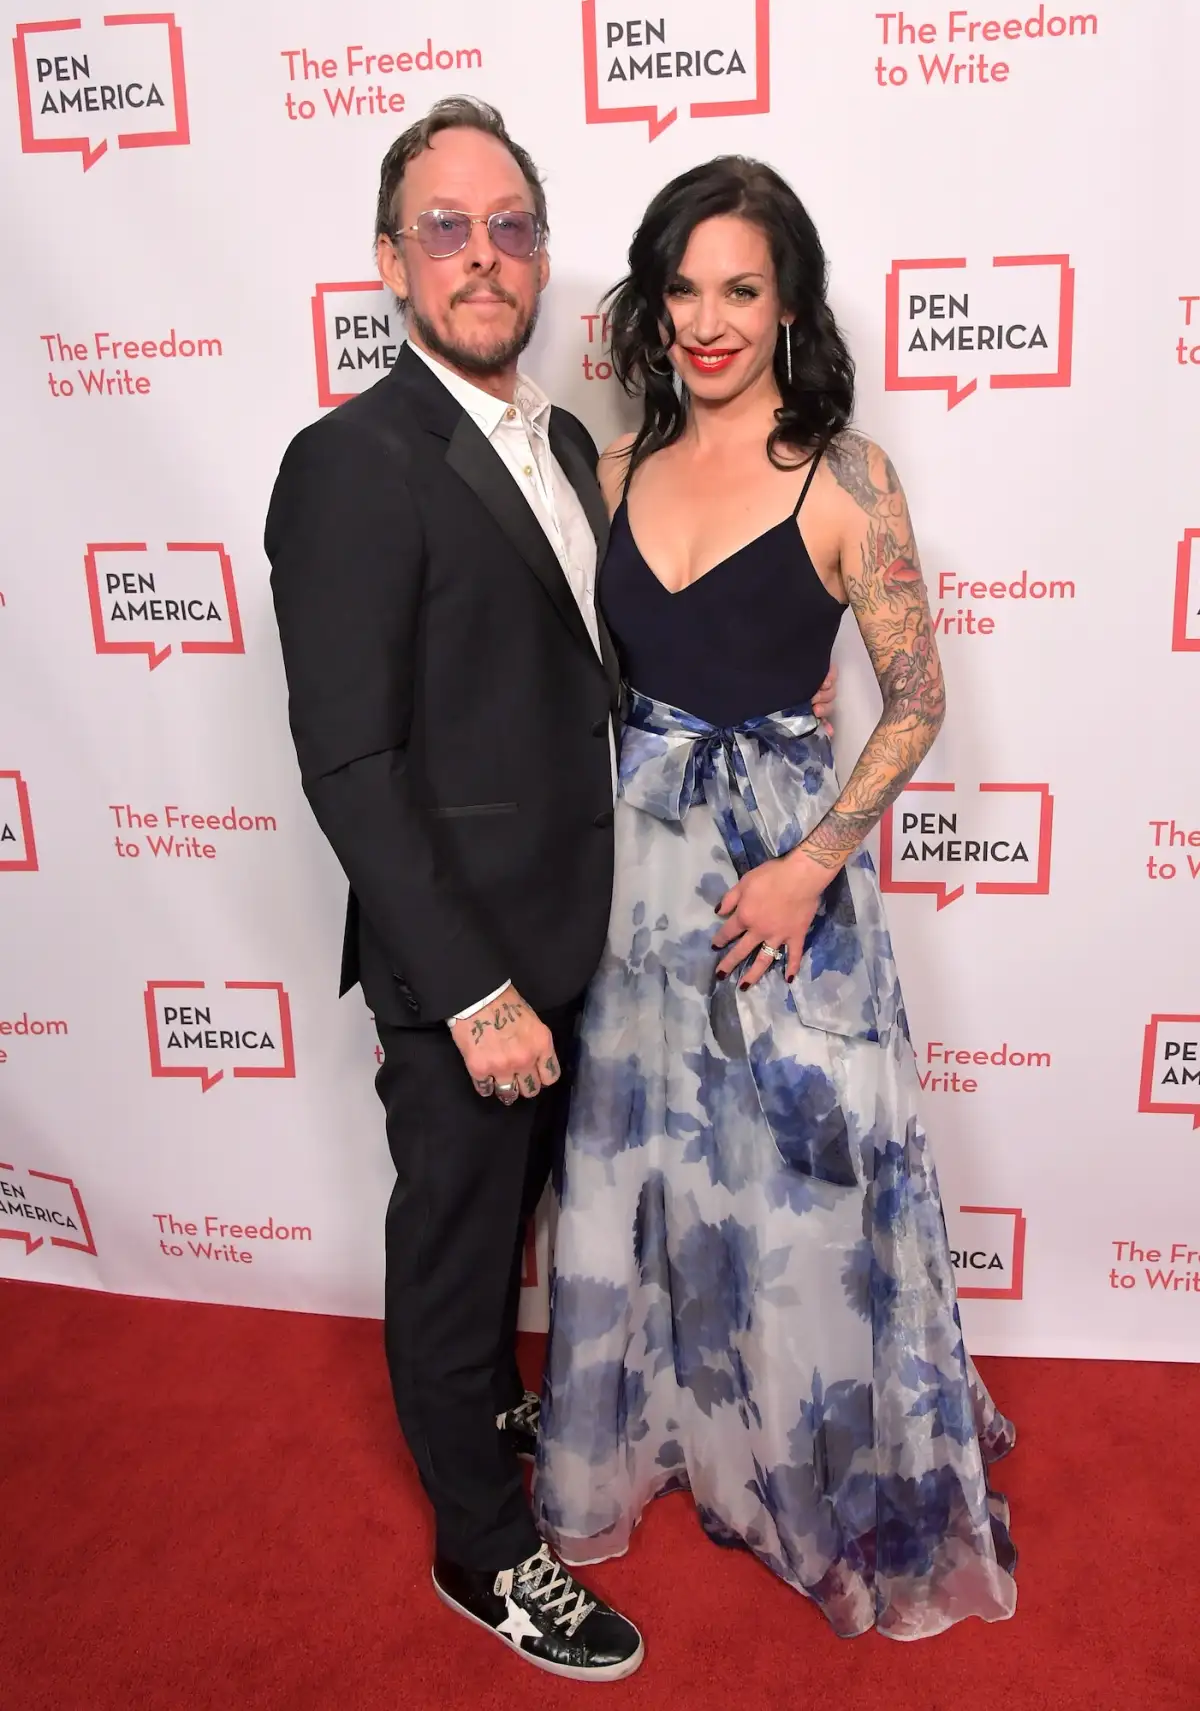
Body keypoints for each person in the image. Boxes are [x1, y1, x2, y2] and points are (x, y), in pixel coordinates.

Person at [266, 102, 835, 1680]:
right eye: (445, 228)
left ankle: (497, 1422)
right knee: (457, 1255)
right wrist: (470, 989)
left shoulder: (571, 444)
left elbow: (594, 669)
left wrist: (771, 696)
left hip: (590, 941)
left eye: (510, 226)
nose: (483, 256)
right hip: (467, 969)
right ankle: (484, 1546)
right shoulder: (350, 462)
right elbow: (350, 762)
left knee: (523, 1224)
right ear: (391, 260)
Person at [533, 157, 1018, 1642]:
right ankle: (693, 1431)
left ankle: (817, 1467)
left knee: (804, 1192)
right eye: (683, 289)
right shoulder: (613, 471)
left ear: (790, 300)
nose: (710, 321)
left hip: (785, 878)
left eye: (741, 289)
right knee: (659, 1180)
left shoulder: (845, 475)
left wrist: (812, 864)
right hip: (637, 888)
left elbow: (917, 698)